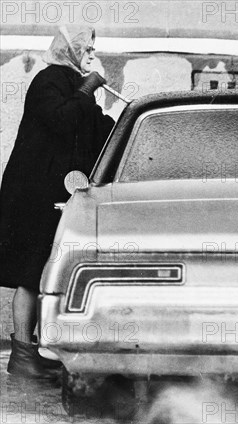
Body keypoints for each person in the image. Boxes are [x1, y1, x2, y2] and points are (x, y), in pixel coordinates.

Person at [0, 26, 115, 379]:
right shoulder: (48, 80)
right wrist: (88, 87)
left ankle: (34, 351)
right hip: (33, 193)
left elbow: (94, 128)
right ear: (71, 51)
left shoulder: (76, 88)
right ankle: (22, 355)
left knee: (46, 271)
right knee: (31, 273)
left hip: (57, 195)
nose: (93, 55)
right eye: (87, 49)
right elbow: (63, 119)